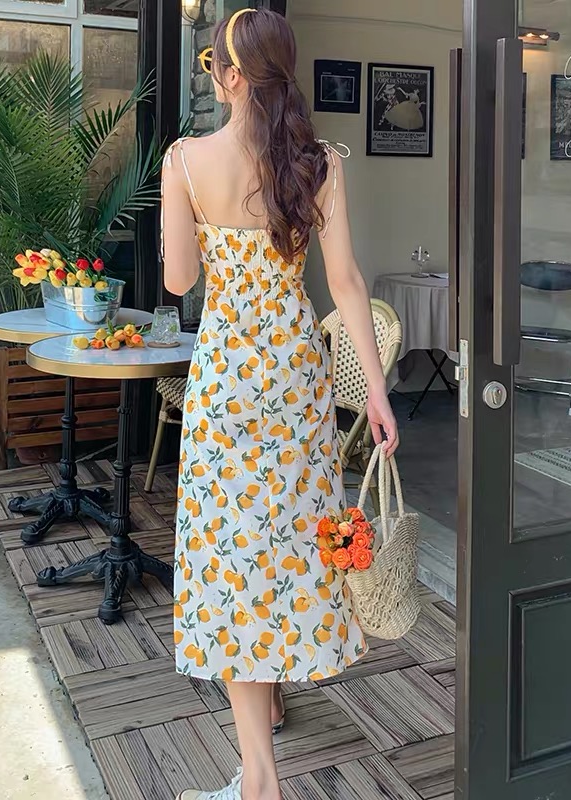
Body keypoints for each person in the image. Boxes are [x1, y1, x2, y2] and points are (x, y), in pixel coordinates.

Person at [161, 9, 399, 800]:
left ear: (230, 77)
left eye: (212, 66)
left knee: (230, 560)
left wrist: (184, 213)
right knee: (289, 550)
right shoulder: (318, 163)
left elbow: (178, 280)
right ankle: (261, 760)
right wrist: (376, 392)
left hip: (227, 381)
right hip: (296, 381)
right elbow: (347, 284)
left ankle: (259, 777)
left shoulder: (186, 160)